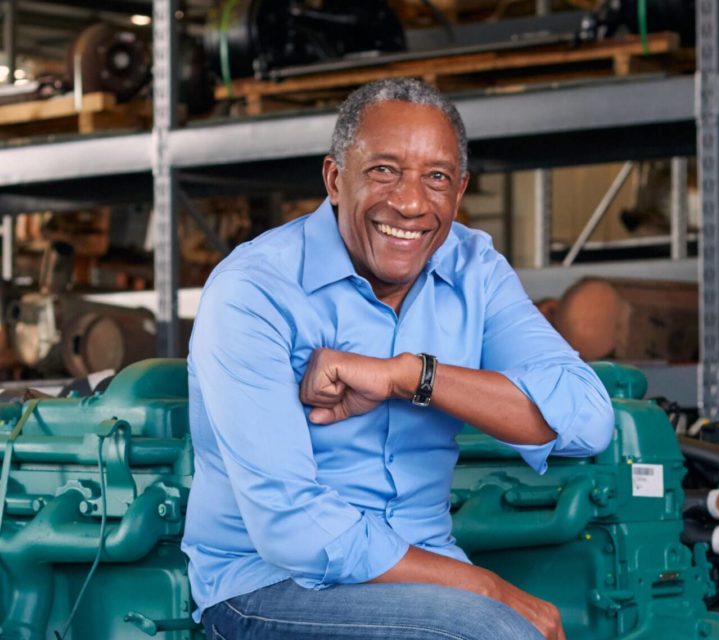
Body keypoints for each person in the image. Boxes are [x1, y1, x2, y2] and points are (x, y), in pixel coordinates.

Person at [183, 77, 614, 640]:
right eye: (384, 170)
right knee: (495, 633)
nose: (410, 203)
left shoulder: (473, 268)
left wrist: (410, 376)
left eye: (435, 177)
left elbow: (588, 419)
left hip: (424, 568)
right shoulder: (254, 292)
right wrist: (484, 587)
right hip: (268, 588)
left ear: (458, 192)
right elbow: (293, 528)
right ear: (336, 179)